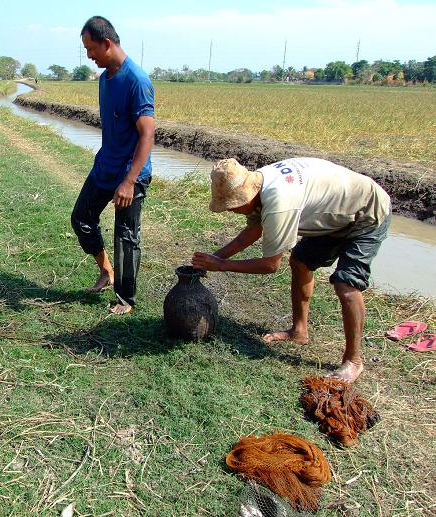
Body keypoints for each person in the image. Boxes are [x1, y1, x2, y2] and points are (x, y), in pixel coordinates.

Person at [192, 157, 391, 383]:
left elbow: (270, 265)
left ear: (247, 195)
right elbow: (254, 230)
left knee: (346, 284)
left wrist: (223, 265)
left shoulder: (279, 201)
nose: (231, 211)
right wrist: (216, 257)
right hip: (335, 215)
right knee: (300, 262)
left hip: (366, 213)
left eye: (233, 205)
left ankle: (353, 361)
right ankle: (299, 331)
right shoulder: (259, 182)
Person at [71, 16, 155, 315]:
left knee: (126, 236)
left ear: (107, 43)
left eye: (91, 48)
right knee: (81, 218)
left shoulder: (137, 80)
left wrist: (130, 181)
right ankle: (107, 271)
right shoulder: (105, 78)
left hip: (129, 175)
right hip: (104, 167)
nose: (89, 55)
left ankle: (125, 299)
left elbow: (147, 134)